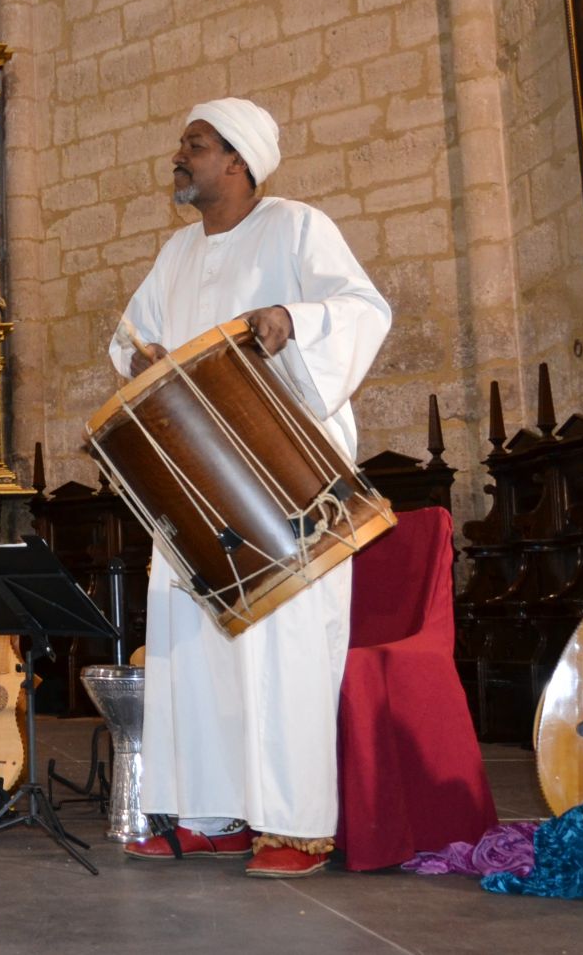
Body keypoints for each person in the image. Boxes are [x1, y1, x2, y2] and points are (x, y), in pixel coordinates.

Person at [106, 98, 390, 878]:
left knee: (284, 650)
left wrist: (291, 320)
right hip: (195, 479)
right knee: (191, 645)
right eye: (183, 142)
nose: (180, 156)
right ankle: (210, 814)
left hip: (286, 477)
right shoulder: (175, 253)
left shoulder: (298, 227)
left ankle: (294, 828)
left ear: (237, 161)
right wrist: (140, 358)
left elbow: (364, 308)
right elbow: (126, 337)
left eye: (193, 145)